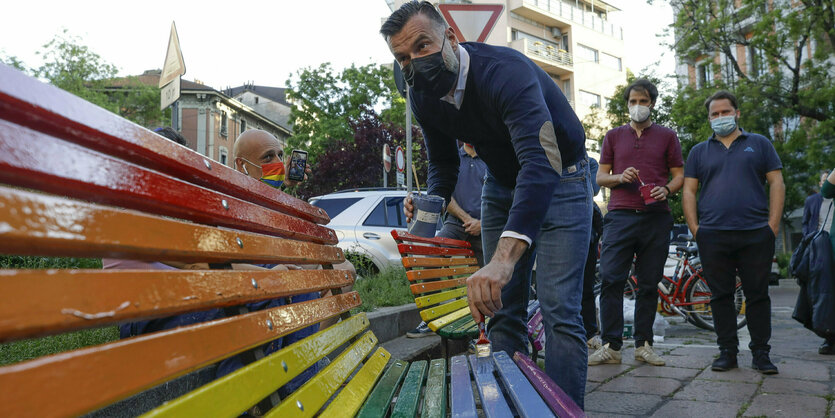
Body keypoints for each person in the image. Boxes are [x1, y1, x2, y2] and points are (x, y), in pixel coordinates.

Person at [381, 1, 592, 407]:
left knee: (559, 311)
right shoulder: (420, 95)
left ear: (451, 37)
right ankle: (512, 406)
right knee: (501, 309)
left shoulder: (504, 73)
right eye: (402, 57)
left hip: (562, 175)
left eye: (422, 46)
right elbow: (443, 164)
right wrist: (426, 215)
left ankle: (565, 410)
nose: (414, 63)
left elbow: (540, 161)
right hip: (502, 181)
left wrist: (503, 259)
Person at [682, 90, 784, 374]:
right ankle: (727, 352)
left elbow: (777, 183)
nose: (720, 118)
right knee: (720, 296)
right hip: (713, 234)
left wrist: (772, 226)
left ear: (737, 113)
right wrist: (696, 228)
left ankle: (761, 354)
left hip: (755, 233)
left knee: (758, 295)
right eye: (714, 114)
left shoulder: (760, 144)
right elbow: (689, 191)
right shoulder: (698, 152)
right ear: (709, 118)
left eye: (725, 112)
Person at [590, 79, 684, 367]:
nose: (638, 106)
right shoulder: (613, 136)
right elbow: (600, 177)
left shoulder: (668, 136)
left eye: (643, 101)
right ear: (627, 104)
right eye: (633, 101)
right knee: (610, 279)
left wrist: (666, 189)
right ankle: (611, 346)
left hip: (656, 217)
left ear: (652, 103)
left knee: (648, 283)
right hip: (619, 215)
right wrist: (620, 177)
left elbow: (680, 175)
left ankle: (644, 344)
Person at [407, 142, 487, 338]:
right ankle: (432, 316)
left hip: (488, 224)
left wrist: (482, 223)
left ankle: (484, 327)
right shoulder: (452, 157)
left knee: (489, 277)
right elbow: (443, 194)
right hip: (456, 223)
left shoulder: (491, 154)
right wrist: (467, 219)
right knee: (427, 255)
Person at [796, 169, 835, 354]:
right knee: (825, 290)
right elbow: (827, 190)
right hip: (825, 245)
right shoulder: (814, 199)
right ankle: (830, 336)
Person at [582, 158, 603, 350]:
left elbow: (591, 189)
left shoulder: (590, 163)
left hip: (585, 235)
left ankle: (589, 332)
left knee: (586, 286)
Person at [802, 171, 832, 238]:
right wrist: (807, 236)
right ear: (820, 184)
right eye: (824, 181)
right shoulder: (811, 200)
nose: (827, 183)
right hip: (819, 239)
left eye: (828, 180)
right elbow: (805, 222)